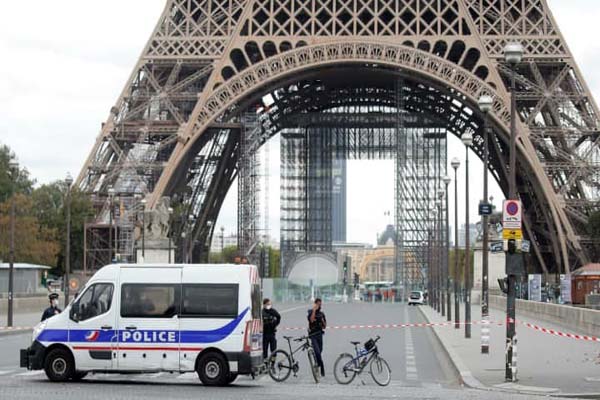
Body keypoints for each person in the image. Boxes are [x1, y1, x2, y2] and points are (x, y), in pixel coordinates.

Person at [307, 298, 327, 377]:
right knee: (317, 352)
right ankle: (321, 366)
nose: (319, 306)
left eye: (320, 304)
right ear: (315, 304)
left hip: (319, 334)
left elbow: (325, 326)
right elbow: (311, 320)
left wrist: (322, 320)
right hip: (313, 335)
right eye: (318, 304)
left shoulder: (322, 314)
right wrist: (314, 310)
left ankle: (318, 364)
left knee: (319, 352)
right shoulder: (310, 312)